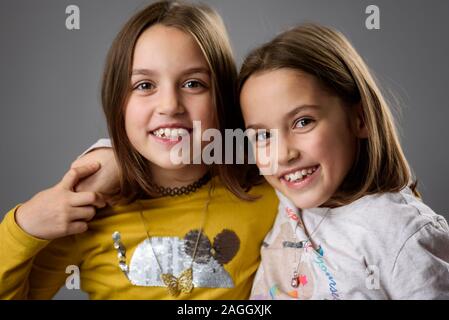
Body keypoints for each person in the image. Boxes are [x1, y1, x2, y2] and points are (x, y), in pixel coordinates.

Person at [0, 1, 278, 300]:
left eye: (194, 84)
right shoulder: (85, 213)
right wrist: (23, 226)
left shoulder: (271, 199)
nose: (170, 105)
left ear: (222, 96)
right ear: (118, 102)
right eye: (144, 85)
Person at [237, 23, 449, 300]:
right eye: (263, 135)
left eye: (303, 122)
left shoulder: (401, 233)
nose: (282, 154)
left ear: (359, 119)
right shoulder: (284, 198)